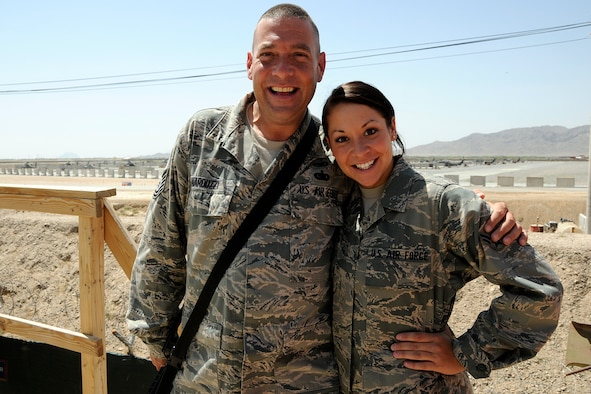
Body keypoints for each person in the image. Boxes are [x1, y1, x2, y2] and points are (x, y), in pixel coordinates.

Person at [126, 4, 527, 392]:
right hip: (204, 378)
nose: (283, 70)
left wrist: (475, 210)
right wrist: (156, 340)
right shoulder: (201, 137)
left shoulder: (336, 154)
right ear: (250, 63)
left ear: (320, 66)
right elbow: (161, 244)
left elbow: (406, 194)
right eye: (269, 56)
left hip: (304, 383)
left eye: (299, 56)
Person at [322, 81, 563, 393]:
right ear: (330, 145)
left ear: (392, 128)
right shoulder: (336, 205)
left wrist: (465, 353)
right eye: (342, 139)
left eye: (370, 131)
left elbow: (541, 291)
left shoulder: (442, 204)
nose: (359, 150)